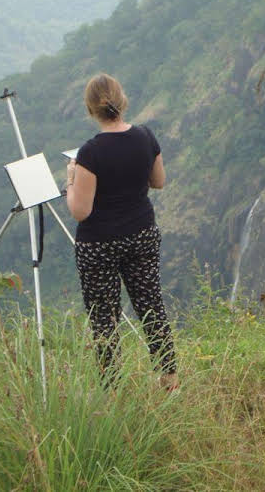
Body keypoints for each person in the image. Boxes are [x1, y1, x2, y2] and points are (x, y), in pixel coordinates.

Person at [66, 72, 177, 390]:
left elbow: (80, 211)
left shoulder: (90, 153)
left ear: (91, 109)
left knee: (104, 318)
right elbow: (158, 181)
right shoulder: (145, 136)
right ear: (122, 101)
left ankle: (112, 392)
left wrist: (71, 179)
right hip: (141, 234)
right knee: (151, 306)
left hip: (99, 244)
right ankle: (170, 380)